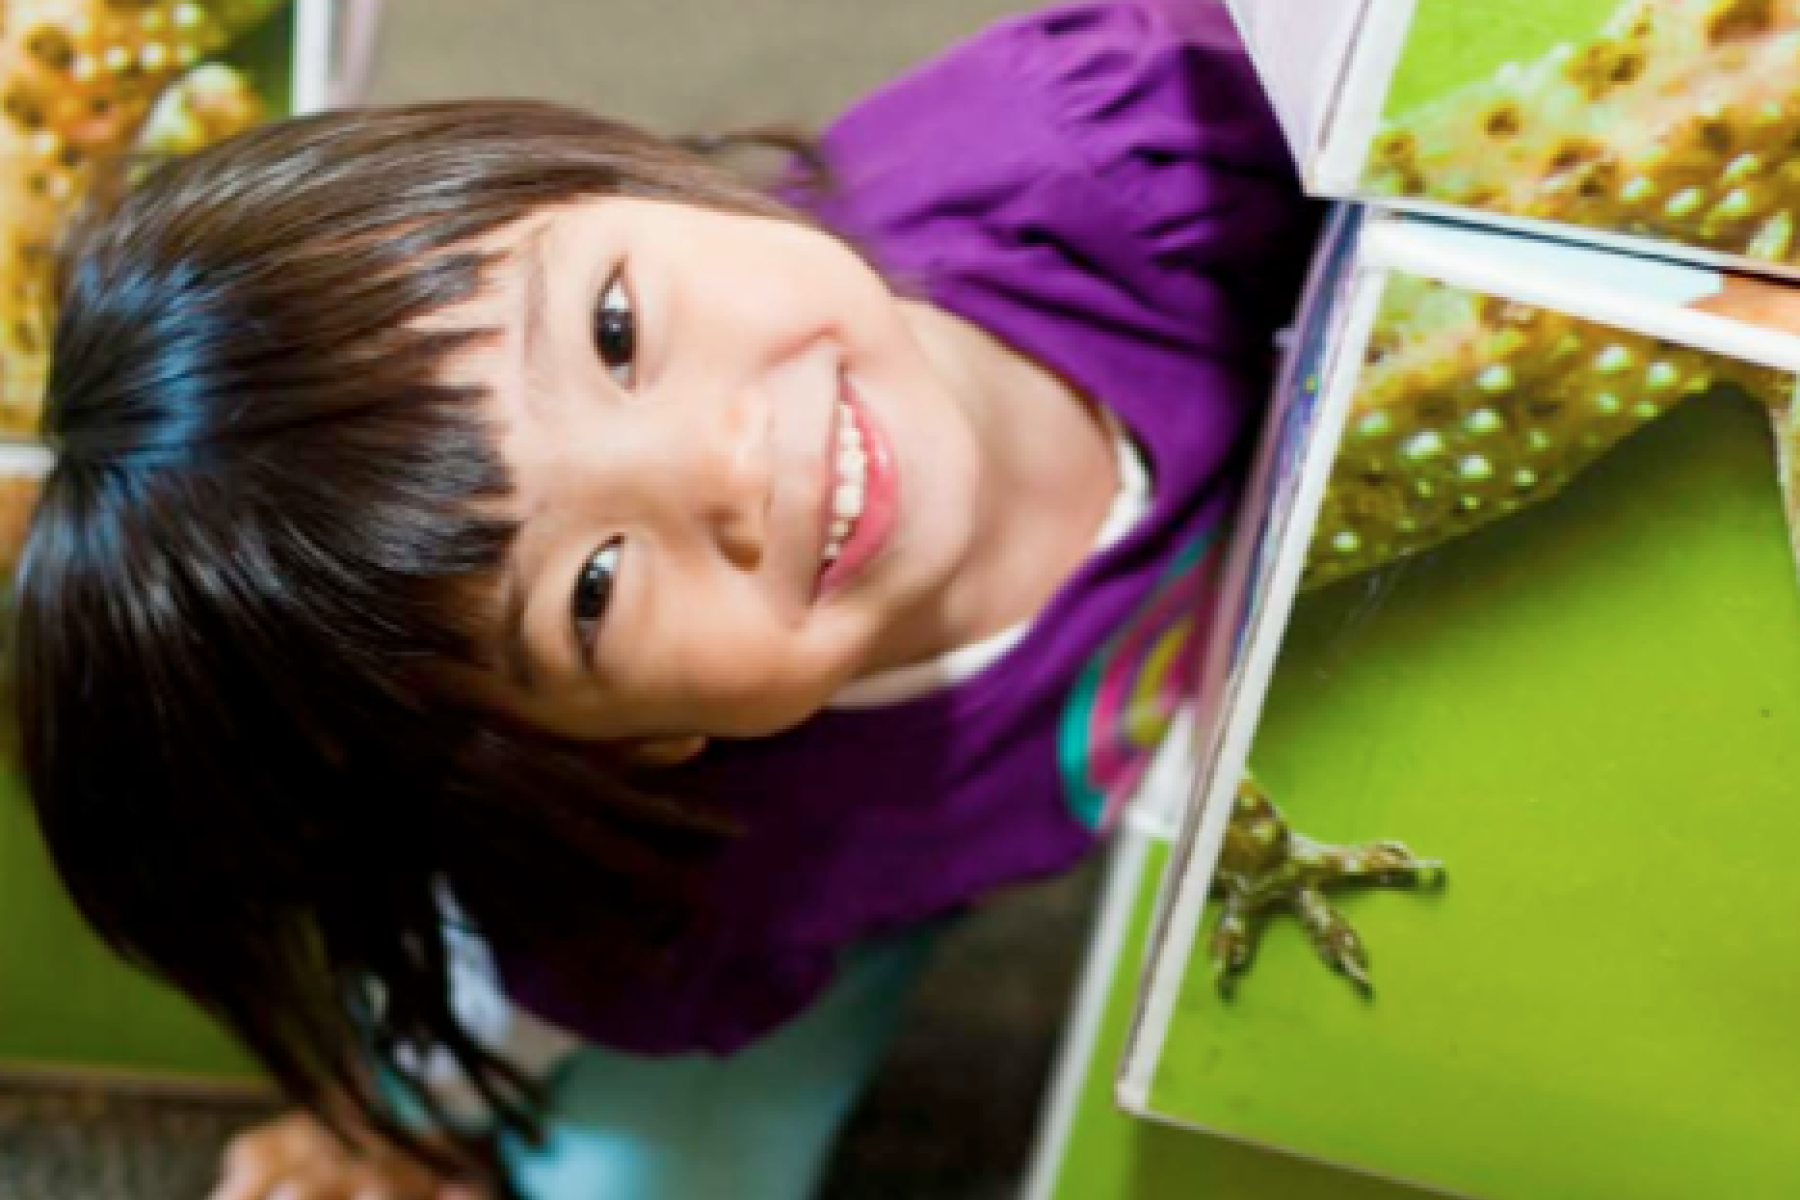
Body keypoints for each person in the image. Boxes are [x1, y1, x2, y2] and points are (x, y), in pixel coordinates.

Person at [14, 1, 1319, 1196]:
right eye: (592, 588)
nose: (733, 468)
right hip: (825, 899)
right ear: (625, 739)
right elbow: (523, 998)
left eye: (616, 333)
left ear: (618, 172)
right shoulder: (683, 882)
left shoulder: (1115, 140)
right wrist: (396, 1121)